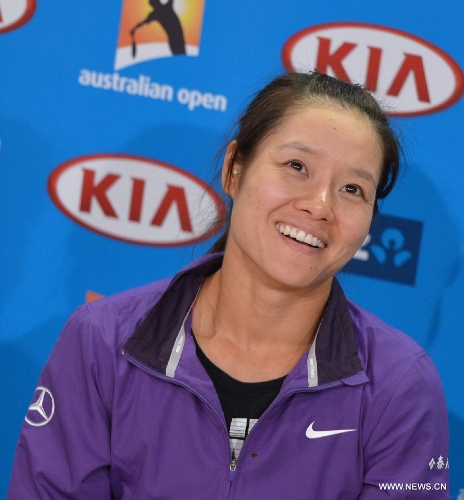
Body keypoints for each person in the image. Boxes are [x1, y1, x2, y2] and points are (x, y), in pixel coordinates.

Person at [7, 71, 449, 499]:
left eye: (353, 189)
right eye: (297, 166)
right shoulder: (102, 342)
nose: (319, 206)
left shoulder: (400, 385)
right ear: (234, 169)